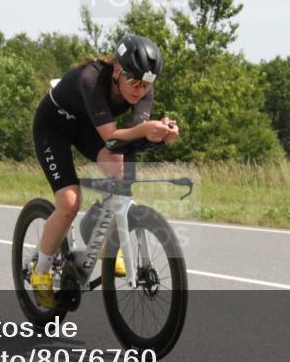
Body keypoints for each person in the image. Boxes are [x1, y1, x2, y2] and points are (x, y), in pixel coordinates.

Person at [30, 34, 179, 307]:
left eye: (147, 84)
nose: (140, 90)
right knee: (69, 201)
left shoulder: (143, 90)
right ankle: (40, 271)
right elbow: (112, 138)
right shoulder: (91, 78)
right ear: (118, 71)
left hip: (89, 127)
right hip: (54, 127)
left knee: (119, 171)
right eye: (134, 82)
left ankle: (97, 228)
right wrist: (146, 129)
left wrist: (160, 135)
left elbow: (130, 139)